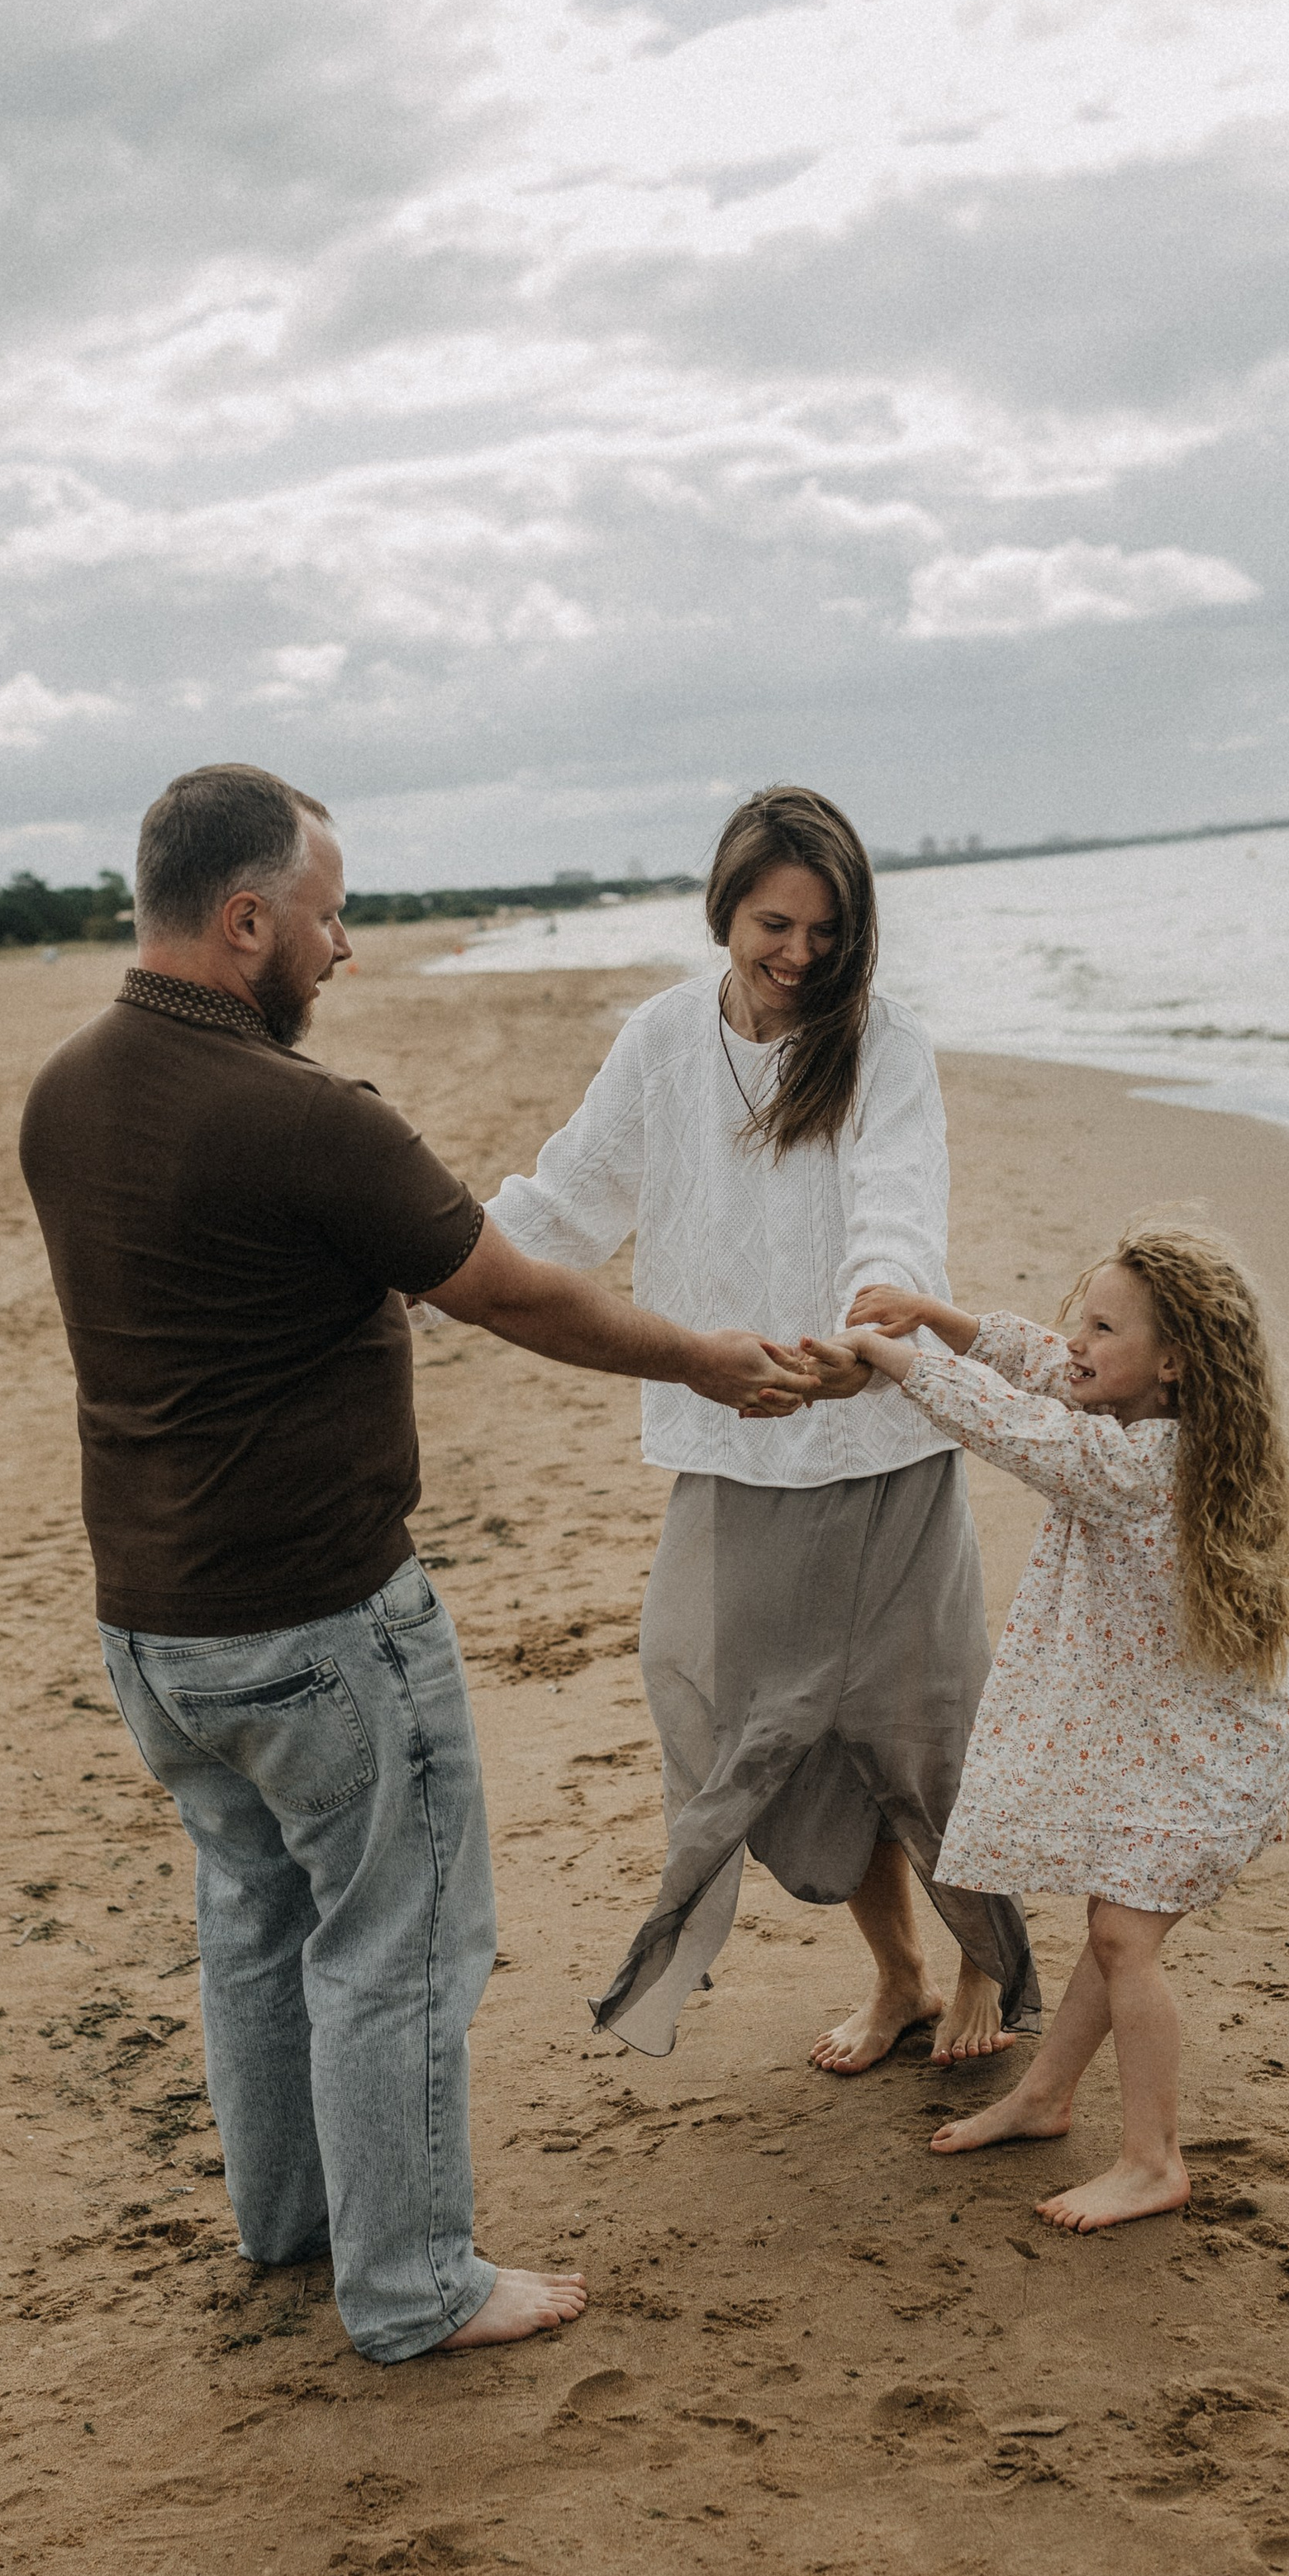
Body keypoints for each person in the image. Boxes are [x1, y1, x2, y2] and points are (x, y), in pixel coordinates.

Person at [17, 763, 809, 2365]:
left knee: (256, 1915)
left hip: (153, 1633)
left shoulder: (65, 1093)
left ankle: (295, 2226)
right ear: (247, 921)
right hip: (314, 1623)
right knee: (400, 1938)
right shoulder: (305, 1119)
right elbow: (507, 1291)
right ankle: (410, 2284)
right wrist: (706, 1359)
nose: (344, 947)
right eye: (327, 917)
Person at [483, 784, 1039, 2065]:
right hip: (732, 1439)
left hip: (878, 1441)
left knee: (923, 1732)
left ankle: (981, 1965)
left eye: (827, 932)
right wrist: (431, 1262)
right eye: (774, 924)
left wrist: (865, 1337)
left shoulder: (883, 1044)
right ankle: (897, 1976)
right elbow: (567, 1200)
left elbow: (896, 1213)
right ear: (724, 908)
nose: (799, 955)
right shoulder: (663, 1039)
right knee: (770, 1733)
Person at [804, 1224, 1289, 2231]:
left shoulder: (1139, 1463)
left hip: (1208, 1757)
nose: (1076, 1340)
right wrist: (941, 1318)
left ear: (1172, 1363)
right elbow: (1041, 1368)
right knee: (1114, 1927)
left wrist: (899, 1359)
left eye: (1104, 1328)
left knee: (1124, 1938)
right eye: (1082, 1317)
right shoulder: (1146, 1416)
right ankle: (1042, 2097)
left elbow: (1016, 1426)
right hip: (1178, 1738)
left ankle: (1152, 2160)